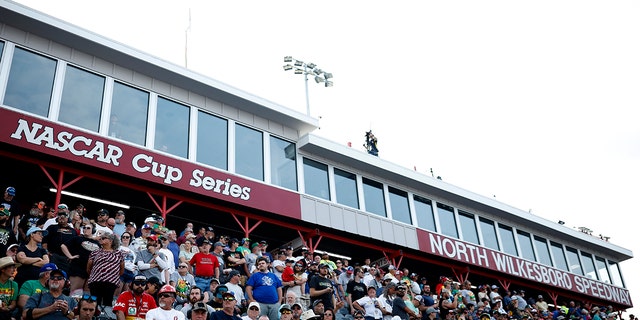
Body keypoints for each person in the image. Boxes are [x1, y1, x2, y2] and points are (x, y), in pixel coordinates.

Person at [61, 221, 100, 296]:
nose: (85, 229)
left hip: (91, 271)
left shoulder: (97, 243)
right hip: (78, 268)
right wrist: (70, 256)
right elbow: (63, 246)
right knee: (75, 292)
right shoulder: (77, 238)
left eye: (88, 228)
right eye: (84, 228)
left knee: (87, 295)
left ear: (93, 230)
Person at [87, 232, 124, 307]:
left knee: (108, 302)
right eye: (100, 238)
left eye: (103, 238)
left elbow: (121, 269)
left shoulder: (118, 253)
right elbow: (88, 267)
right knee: (95, 303)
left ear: (110, 241)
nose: (100, 239)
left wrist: (112, 276)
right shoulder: (95, 252)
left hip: (111, 282)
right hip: (95, 281)